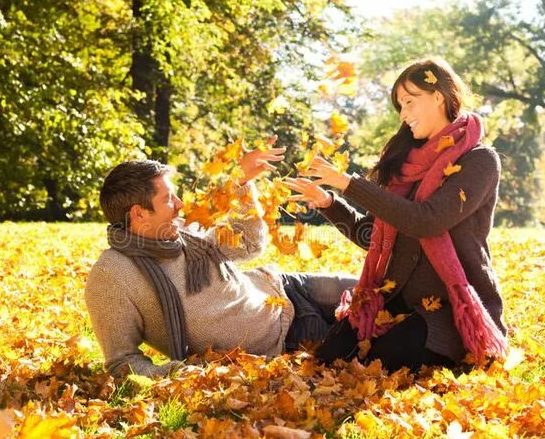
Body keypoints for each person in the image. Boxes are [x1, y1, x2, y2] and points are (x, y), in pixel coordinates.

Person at [284, 57, 508, 372]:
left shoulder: (479, 161)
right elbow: (371, 236)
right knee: (330, 356)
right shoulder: (407, 165)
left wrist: (350, 184)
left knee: (380, 360)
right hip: (396, 301)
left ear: (438, 96)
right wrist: (329, 204)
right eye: (399, 106)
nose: (403, 114)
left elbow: (425, 221)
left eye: (409, 102)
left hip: (448, 310)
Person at [84, 138, 356, 379]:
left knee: (380, 289)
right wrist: (175, 373)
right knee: (382, 341)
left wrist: (241, 182)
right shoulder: (113, 275)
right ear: (139, 214)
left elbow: (248, 244)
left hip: (287, 288)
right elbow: (122, 361)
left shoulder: (183, 234)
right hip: (288, 337)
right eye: (168, 198)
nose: (180, 204)